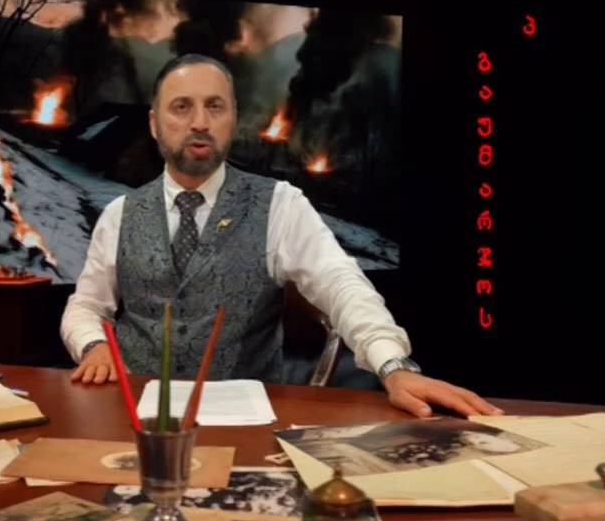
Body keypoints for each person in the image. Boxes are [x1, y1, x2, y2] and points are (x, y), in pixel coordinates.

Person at [60, 53, 501, 418]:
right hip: (135, 419)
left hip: (245, 424)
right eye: (181, 107)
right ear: (155, 123)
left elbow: (340, 284)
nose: (200, 122)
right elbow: (86, 306)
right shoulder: (119, 215)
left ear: (233, 119)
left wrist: (394, 365)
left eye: (215, 106)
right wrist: (94, 346)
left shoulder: (281, 204)